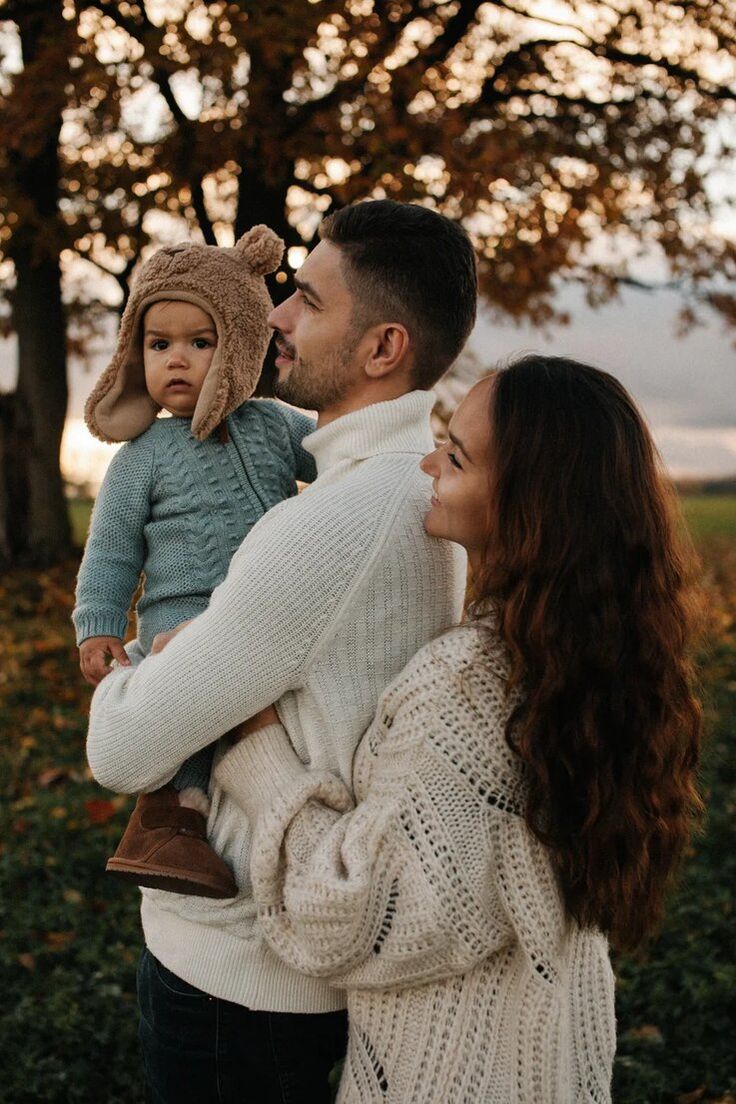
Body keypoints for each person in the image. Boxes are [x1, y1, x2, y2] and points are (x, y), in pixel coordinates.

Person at [212, 356, 704, 1103]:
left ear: (529, 506)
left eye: (459, 456)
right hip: (552, 1066)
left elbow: (354, 919)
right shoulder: (596, 661)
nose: (428, 462)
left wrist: (255, 748)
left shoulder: (471, 683)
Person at [85, 199, 476, 1102]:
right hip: (301, 947)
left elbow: (120, 753)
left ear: (382, 347)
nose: (275, 318)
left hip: (236, 977)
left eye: (305, 298)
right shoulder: (411, 479)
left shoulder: (328, 525)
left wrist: (135, 670)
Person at [73, 225, 317, 900]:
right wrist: (96, 622)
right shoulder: (140, 457)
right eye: (159, 345)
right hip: (178, 612)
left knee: (259, 713)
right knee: (189, 714)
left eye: (200, 342)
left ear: (239, 344)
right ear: (135, 352)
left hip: (264, 607)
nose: (176, 360)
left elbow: (336, 454)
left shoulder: (272, 424)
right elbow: (112, 551)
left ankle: (257, 827)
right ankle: (172, 822)